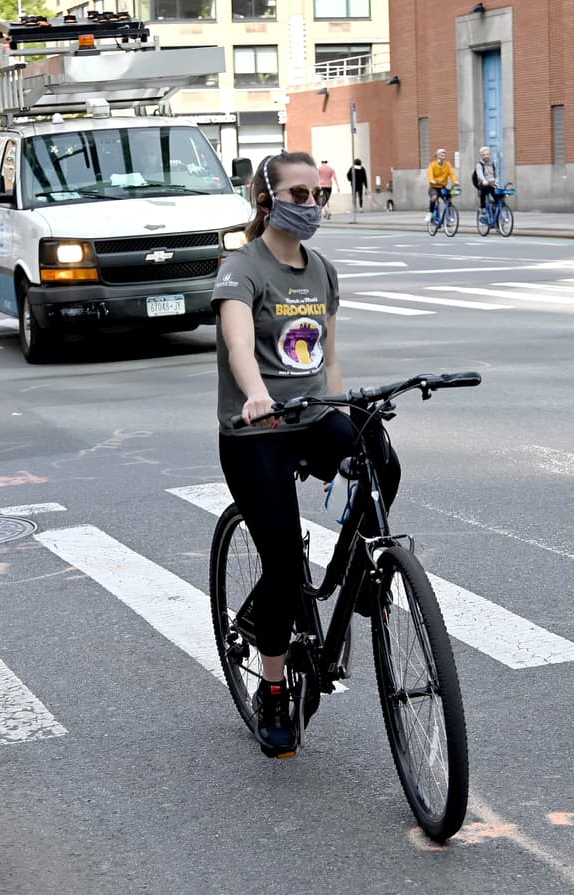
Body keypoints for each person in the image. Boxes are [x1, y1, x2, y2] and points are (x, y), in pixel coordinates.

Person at [212, 151, 400, 758]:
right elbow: (239, 340)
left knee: (381, 460)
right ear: (267, 200)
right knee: (284, 565)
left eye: (317, 194)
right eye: (298, 194)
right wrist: (257, 395)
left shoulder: (322, 270)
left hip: (313, 418)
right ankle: (272, 690)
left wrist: (345, 410)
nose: (311, 205)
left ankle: (360, 576)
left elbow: (328, 358)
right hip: (258, 430)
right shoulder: (243, 269)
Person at [426, 148, 457, 221]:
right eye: (441, 154)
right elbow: (430, 175)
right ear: (437, 156)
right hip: (433, 187)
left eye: (444, 154)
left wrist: (455, 181)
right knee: (434, 197)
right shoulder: (432, 165)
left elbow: (452, 174)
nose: (443, 156)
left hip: (442, 187)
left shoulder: (447, 164)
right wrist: (432, 180)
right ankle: (430, 213)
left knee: (448, 199)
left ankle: (449, 216)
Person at [473, 146, 499, 219]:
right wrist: (484, 180)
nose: (486, 156)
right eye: (484, 155)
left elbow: (496, 174)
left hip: (492, 184)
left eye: (487, 154)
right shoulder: (479, 164)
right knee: (484, 190)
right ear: (481, 156)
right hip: (483, 184)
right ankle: (483, 208)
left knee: (499, 197)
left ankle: (498, 214)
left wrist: (496, 182)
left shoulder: (493, 163)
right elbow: (479, 174)